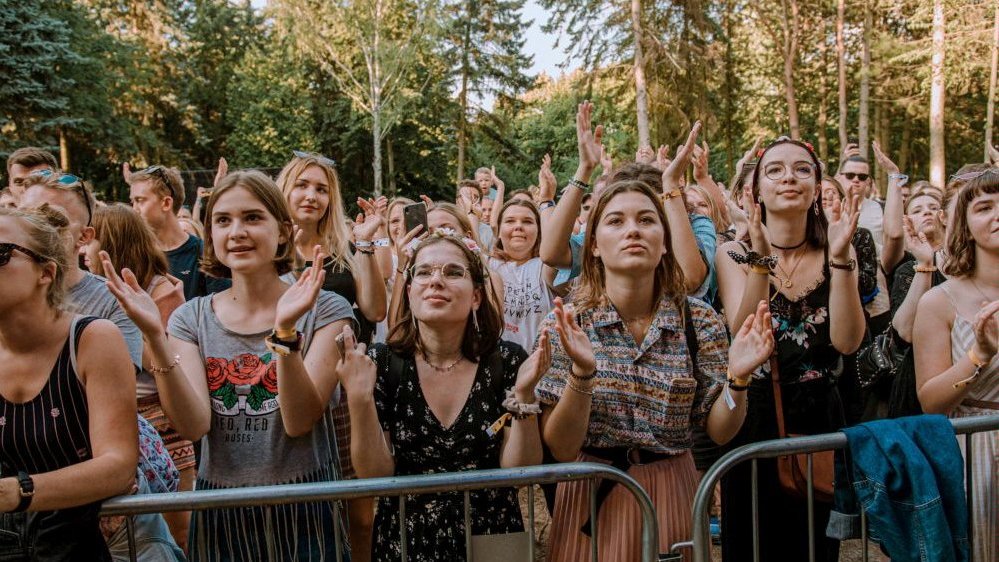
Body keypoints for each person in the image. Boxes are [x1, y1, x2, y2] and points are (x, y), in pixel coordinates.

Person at [104, 170, 356, 561]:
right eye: (223, 220)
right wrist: (155, 338)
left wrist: (285, 332)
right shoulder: (191, 318)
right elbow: (194, 425)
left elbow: (299, 420)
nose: (236, 231)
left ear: (284, 231)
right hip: (221, 509)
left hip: (304, 504)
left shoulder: (326, 309)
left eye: (253, 218)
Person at [536, 172, 774, 562]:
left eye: (647, 220)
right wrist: (582, 376)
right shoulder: (566, 323)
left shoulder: (699, 321)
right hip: (591, 498)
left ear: (665, 243)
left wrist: (738, 379)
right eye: (616, 221)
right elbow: (561, 447)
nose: (633, 230)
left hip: (672, 493)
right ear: (593, 245)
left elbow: (719, 430)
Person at [338, 231, 548, 561]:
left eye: (453, 272)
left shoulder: (506, 360)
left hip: (493, 535)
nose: (436, 281)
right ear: (409, 292)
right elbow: (374, 474)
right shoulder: (381, 362)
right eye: (424, 272)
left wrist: (523, 395)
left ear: (476, 296)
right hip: (408, 539)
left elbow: (520, 471)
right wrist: (359, 399)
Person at [715, 137, 869, 562]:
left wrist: (840, 259)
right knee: (753, 543)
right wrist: (761, 259)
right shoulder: (733, 251)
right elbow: (743, 327)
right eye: (775, 170)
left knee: (815, 547)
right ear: (756, 190)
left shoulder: (838, 247)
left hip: (820, 417)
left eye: (802, 169)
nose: (789, 177)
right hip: (755, 417)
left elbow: (847, 341)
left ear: (817, 187)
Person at [0, 206, 137, 560]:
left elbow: (118, 465)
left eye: (0, 254)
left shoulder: (92, 339)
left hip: (77, 547)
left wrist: (18, 493)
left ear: (45, 272)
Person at [84, 203, 194, 551]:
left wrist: (132, 328)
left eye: (89, 239)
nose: (81, 249)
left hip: (161, 417)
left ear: (111, 243)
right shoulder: (90, 291)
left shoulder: (163, 291)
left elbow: (169, 360)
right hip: (115, 417)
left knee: (177, 530)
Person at [913, 170, 999, 562]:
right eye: (985, 207)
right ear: (965, 223)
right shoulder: (939, 301)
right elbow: (930, 401)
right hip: (976, 451)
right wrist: (979, 354)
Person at [128, 164, 230, 300]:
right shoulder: (134, 255)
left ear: (166, 203)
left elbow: (219, 314)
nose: (134, 209)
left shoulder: (206, 254)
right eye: (132, 202)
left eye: (140, 200)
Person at [489, 199, 556, 351]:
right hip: (495, 367)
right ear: (498, 230)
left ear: (539, 230)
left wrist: (545, 201)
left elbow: (554, 246)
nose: (518, 226)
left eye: (527, 221)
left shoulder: (546, 266)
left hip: (543, 367)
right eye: (510, 221)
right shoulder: (488, 265)